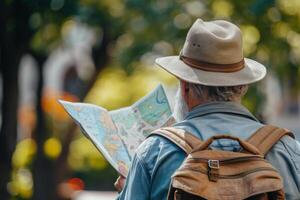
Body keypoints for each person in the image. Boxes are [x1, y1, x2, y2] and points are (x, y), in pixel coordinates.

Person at [115, 19, 300, 200]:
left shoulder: (155, 151)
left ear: (185, 87)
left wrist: (128, 190)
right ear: (243, 86)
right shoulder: (287, 150)